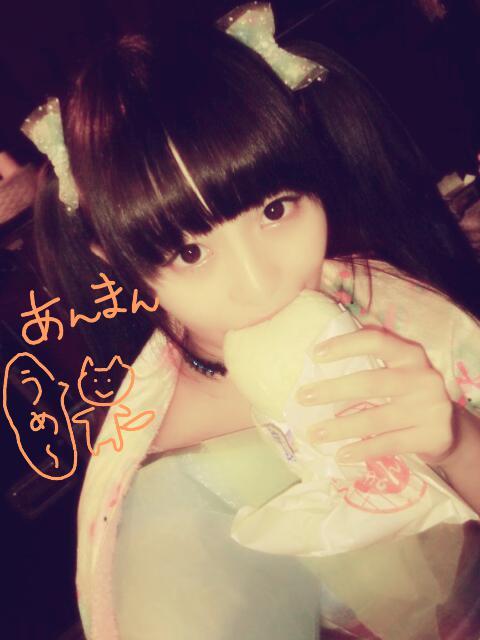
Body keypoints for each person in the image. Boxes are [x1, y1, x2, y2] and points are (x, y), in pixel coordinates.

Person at [23, 3, 480, 638]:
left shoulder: (379, 300)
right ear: (114, 256)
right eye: (190, 252)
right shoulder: (167, 478)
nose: (262, 284)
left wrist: (458, 440)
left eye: (274, 210)